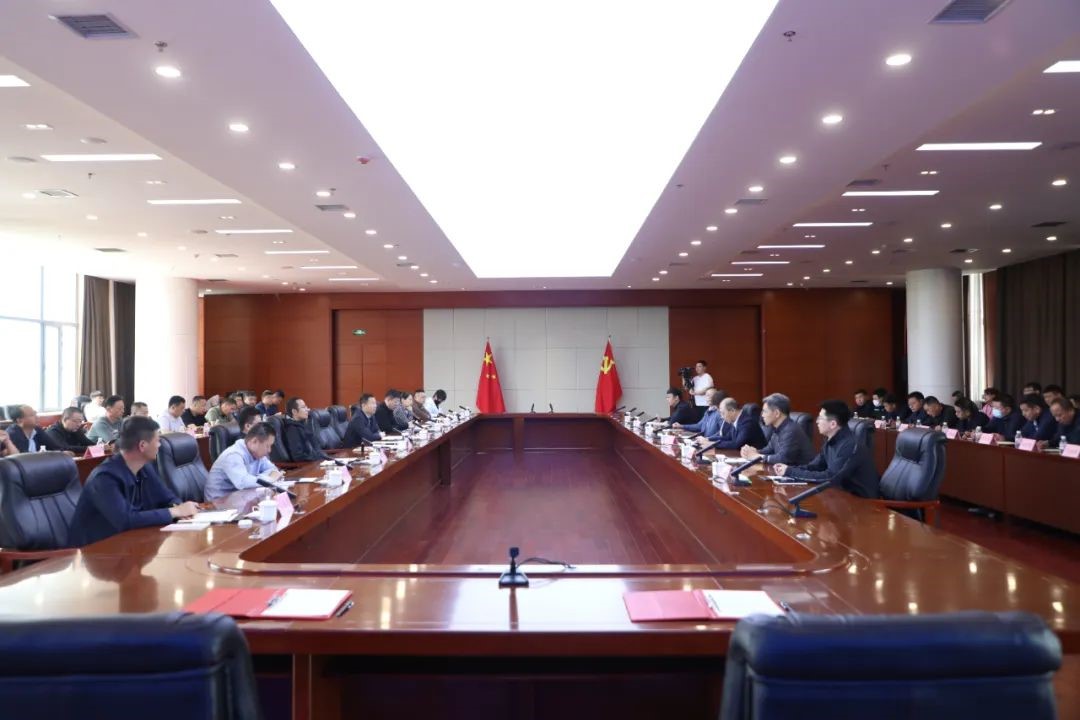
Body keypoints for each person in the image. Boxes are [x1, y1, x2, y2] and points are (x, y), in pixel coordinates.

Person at [68, 416, 200, 547]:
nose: (159, 445)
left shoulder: (144, 467)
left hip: (129, 543)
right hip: (94, 551)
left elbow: (167, 497)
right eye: (157, 441)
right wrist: (175, 512)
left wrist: (180, 508)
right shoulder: (103, 478)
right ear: (142, 445)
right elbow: (126, 519)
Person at [774, 400, 880, 499]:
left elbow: (831, 478)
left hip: (862, 502)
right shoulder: (830, 440)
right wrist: (789, 469)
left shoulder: (850, 445)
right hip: (840, 497)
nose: (817, 421)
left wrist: (791, 472)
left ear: (833, 424)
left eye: (820, 418)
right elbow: (815, 466)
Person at [205, 422, 282, 501]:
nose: (269, 450)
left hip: (239, 497)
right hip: (218, 502)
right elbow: (243, 482)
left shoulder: (257, 454)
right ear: (254, 441)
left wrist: (263, 478)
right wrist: (269, 479)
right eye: (267, 446)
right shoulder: (233, 455)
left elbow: (273, 470)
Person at [741, 393, 814, 465]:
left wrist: (758, 456)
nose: (762, 415)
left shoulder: (791, 431)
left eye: (765, 411)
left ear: (777, 413)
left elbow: (783, 459)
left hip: (800, 471)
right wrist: (753, 452)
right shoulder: (778, 428)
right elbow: (769, 449)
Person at [281, 397, 331, 462]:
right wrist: (319, 458)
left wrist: (326, 458)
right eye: (303, 407)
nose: (307, 409)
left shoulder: (303, 425)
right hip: (309, 465)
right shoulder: (292, 429)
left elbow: (316, 448)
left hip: (318, 461)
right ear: (294, 411)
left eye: (306, 407)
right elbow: (299, 456)